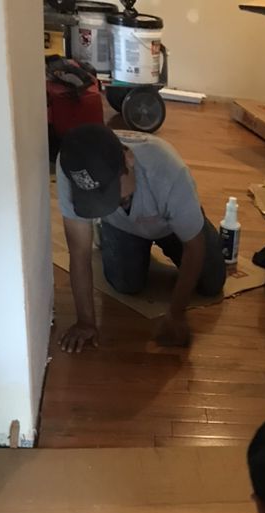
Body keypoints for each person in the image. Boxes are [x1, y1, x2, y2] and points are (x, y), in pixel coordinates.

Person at [56, 123, 226, 353]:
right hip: (122, 226)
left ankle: (191, 217)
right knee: (125, 284)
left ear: (128, 160)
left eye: (113, 195)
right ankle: (109, 236)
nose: (112, 203)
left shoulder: (167, 170)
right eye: (99, 201)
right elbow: (78, 252)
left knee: (212, 282)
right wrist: (86, 321)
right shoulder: (73, 167)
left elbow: (193, 247)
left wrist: (176, 314)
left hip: (169, 226)